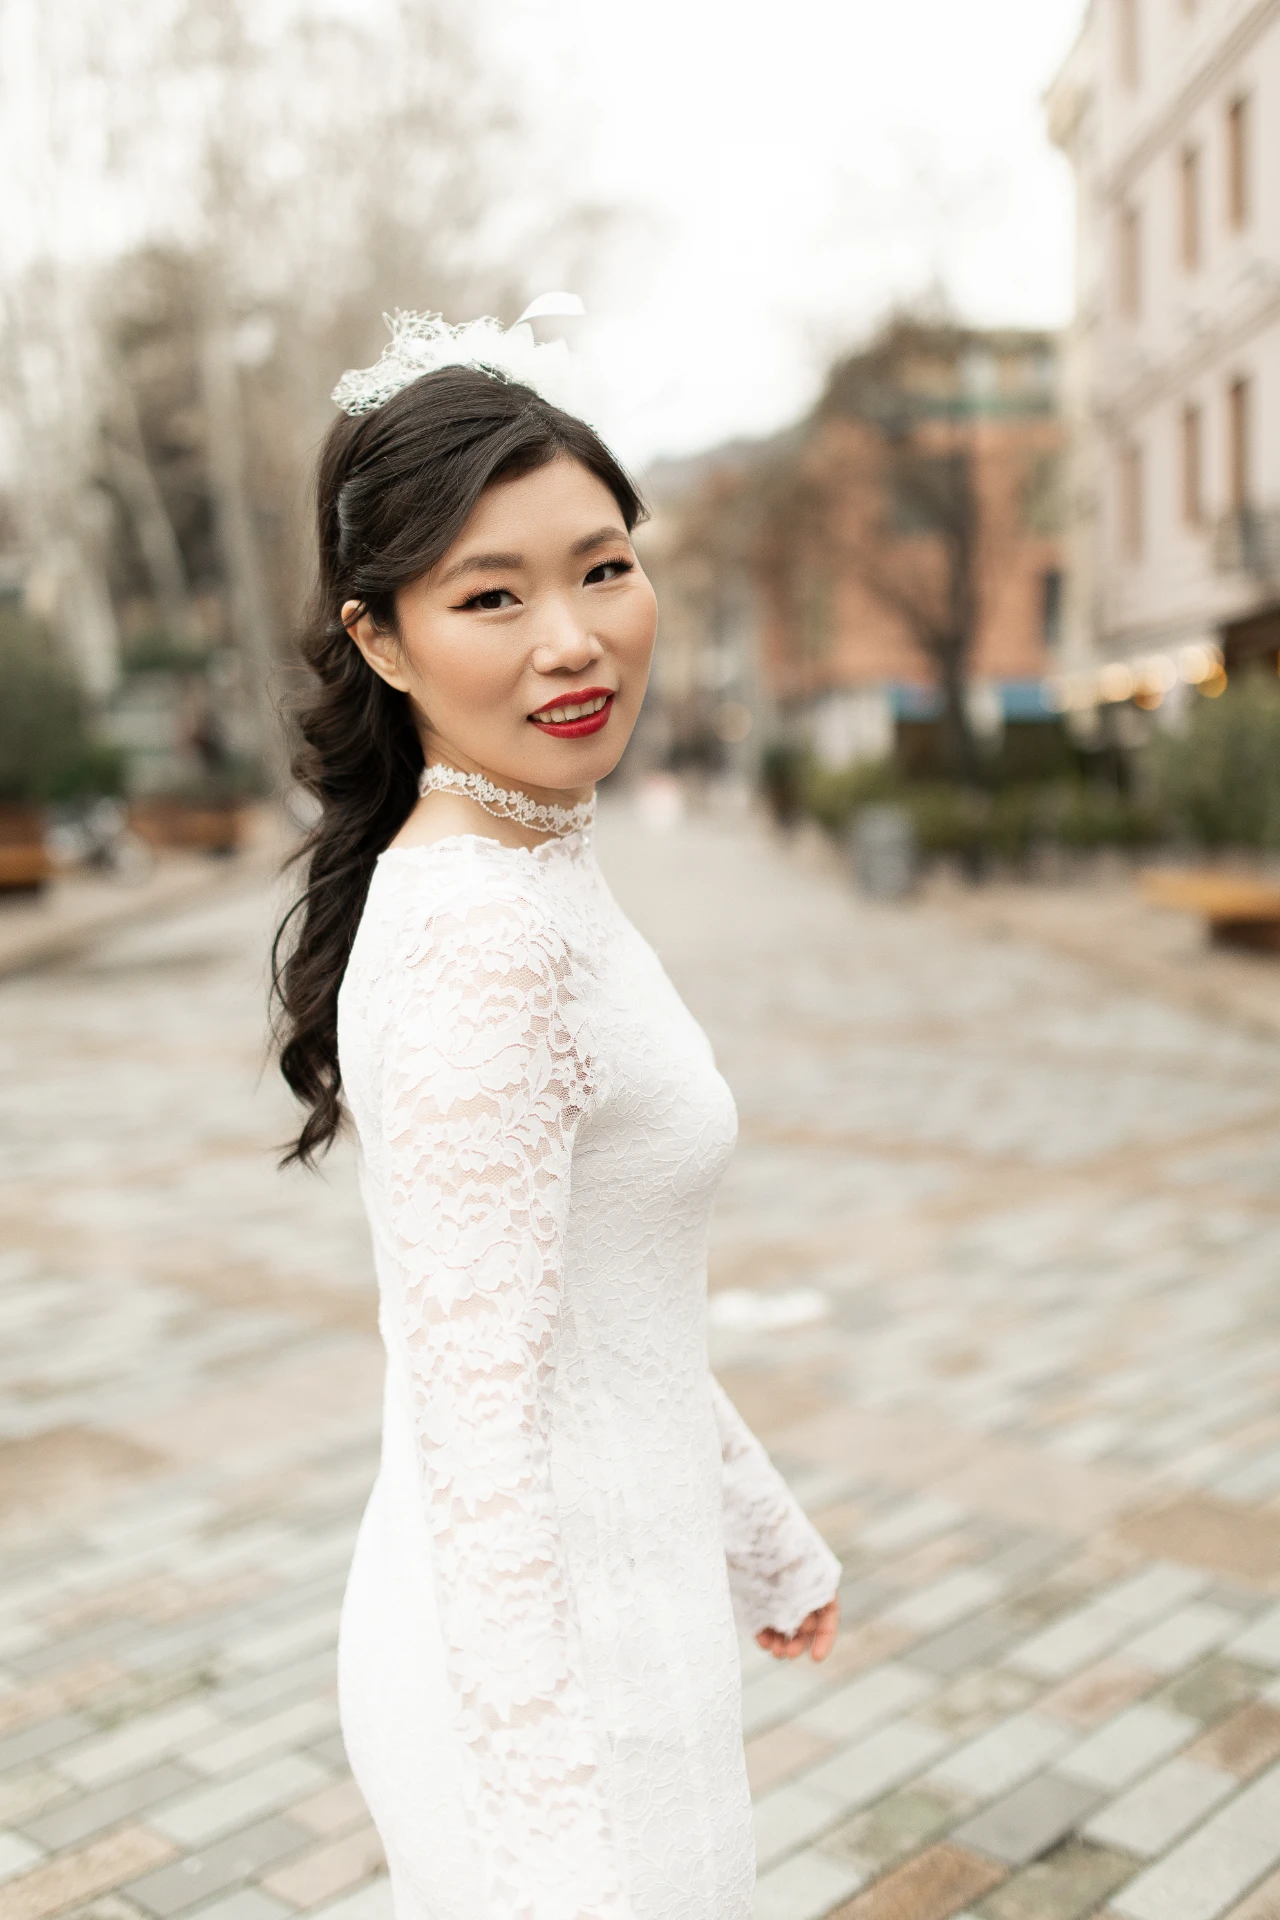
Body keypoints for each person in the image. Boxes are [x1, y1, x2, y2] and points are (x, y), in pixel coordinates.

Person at [273, 311, 841, 1920]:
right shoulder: (485, 944)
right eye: (491, 596)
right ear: (381, 640)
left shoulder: (537, 863)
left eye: (602, 568)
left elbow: (595, 1315)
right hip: (556, 1685)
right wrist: (547, 1824)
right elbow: (475, 1431)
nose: (573, 639)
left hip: (627, 1603)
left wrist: (762, 1532)